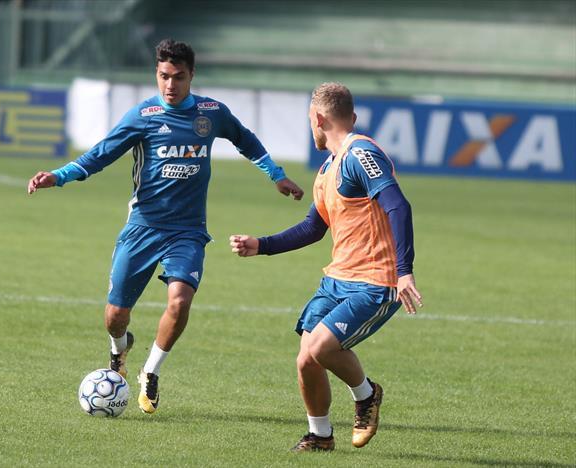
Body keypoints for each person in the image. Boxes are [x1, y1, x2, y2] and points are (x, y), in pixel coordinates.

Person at [27, 39, 304, 414]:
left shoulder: (211, 113)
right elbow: (101, 154)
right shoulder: (143, 115)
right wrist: (57, 177)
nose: (170, 85)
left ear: (192, 75)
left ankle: (151, 372)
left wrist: (277, 175)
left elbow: (245, 139)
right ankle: (118, 350)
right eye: (163, 76)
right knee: (114, 317)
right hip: (143, 227)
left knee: (180, 300)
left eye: (178, 77)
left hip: (188, 231)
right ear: (155, 74)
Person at [230, 82, 422, 452]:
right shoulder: (328, 168)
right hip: (336, 281)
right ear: (350, 116)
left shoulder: (360, 154)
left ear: (317, 119)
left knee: (320, 348)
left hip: (375, 281)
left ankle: (366, 395)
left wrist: (404, 271)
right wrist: (261, 245)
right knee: (306, 359)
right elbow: (314, 228)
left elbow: (399, 205)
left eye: (309, 121)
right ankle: (320, 436)